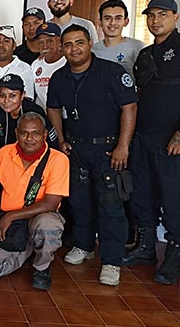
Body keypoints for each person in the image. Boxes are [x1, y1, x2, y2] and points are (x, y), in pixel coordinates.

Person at [124, 0, 180, 285]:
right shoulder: (145, 54)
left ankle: (173, 258)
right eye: (151, 15)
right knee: (142, 194)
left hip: (174, 138)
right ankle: (146, 248)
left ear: (176, 17)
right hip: (144, 136)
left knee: (174, 197)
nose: (155, 20)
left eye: (162, 14)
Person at [46, 25, 138, 286]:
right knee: (80, 202)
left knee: (110, 206)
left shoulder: (111, 72)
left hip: (108, 149)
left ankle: (111, 261)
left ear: (89, 44)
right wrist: (61, 139)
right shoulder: (59, 77)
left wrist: (123, 146)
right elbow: (53, 108)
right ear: (62, 49)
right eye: (68, 44)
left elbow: (130, 107)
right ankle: (84, 246)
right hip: (76, 149)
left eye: (79, 43)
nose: (74, 49)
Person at [0, 113, 69, 290]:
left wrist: (10, 217)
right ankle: (26, 250)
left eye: (36, 133)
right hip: (9, 220)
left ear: (45, 134)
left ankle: (42, 267)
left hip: (37, 217)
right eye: (24, 133)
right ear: (17, 133)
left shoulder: (58, 160)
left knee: (48, 225)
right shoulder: (4, 153)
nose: (29, 139)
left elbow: (51, 203)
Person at [0, 74, 55, 166]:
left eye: (12, 96)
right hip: (3, 162)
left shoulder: (35, 111)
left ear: (22, 95)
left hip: (35, 163)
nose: (6, 101)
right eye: (2, 95)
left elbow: (51, 143)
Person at [92, 0, 145, 77]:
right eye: (107, 18)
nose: (112, 23)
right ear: (100, 22)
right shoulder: (92, 51)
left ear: (126, 22)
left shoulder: (138, 47)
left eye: (118, 18)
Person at [32, 22, 67, 111]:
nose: (44, 46)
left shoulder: (68, 62)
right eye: (41, 42)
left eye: (50, 41)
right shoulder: (36, 64)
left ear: (59, 41)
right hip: (43, 116)